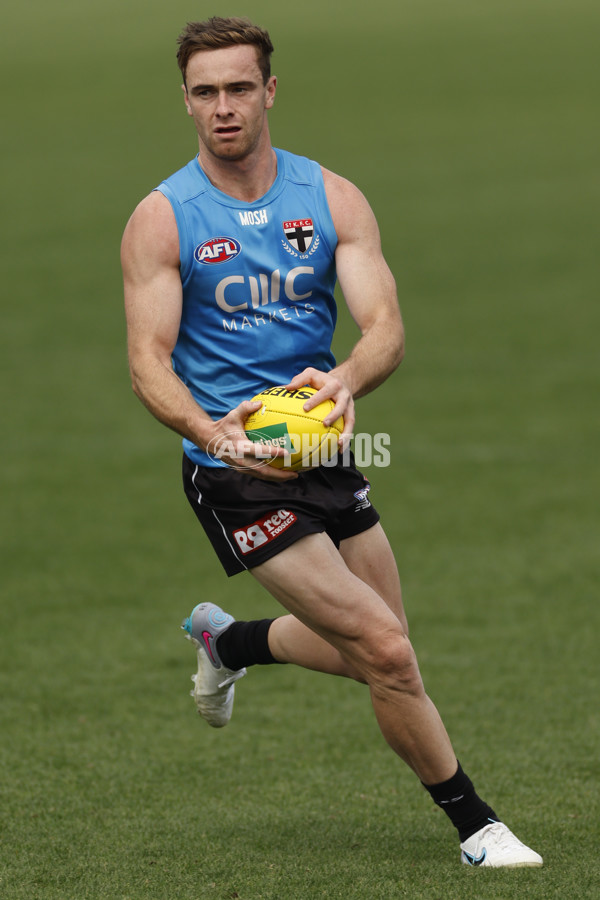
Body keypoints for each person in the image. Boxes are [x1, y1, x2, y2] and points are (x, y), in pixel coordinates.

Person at [121, 16, 542, 868]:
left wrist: (345, 380)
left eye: (240, 88)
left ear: (270, 91)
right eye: (206, 92)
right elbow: (146, 363)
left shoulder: (330, 198)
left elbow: (384, 325)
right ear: (187, 102)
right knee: (386, 653)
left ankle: (228, 642)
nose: (224, 107)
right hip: (232, 470)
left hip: (321, 449)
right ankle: (477, 828)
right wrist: (213, 433)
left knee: (386, 646)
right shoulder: (163, 219)